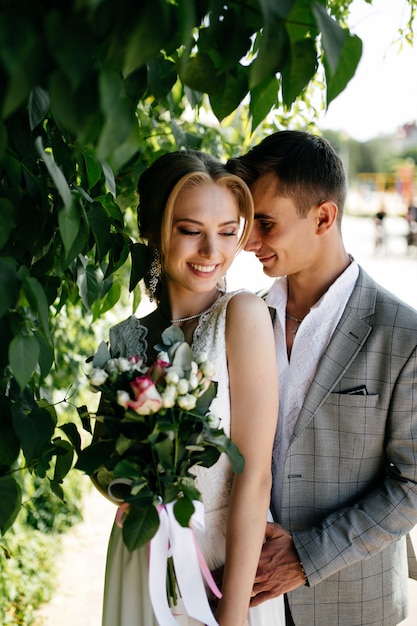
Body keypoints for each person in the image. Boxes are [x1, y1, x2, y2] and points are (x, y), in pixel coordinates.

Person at [227, 130, 417, 626]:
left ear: (324, 217)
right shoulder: (240, 319)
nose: (250, 243)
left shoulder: (404, 334)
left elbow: (414, 483)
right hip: (239, 593)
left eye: (265, 223)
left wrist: (306, 556)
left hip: (352, 602)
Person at [94, 149, 285, 626]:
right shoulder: (124, 338)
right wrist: (138, 482)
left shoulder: (242, 316)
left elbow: (255, 473)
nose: (211, 252)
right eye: (190, 230)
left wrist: (235, 612)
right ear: (156, 230)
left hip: (225, 563)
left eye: (226, 232)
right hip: (142, 555)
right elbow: (102, 465)